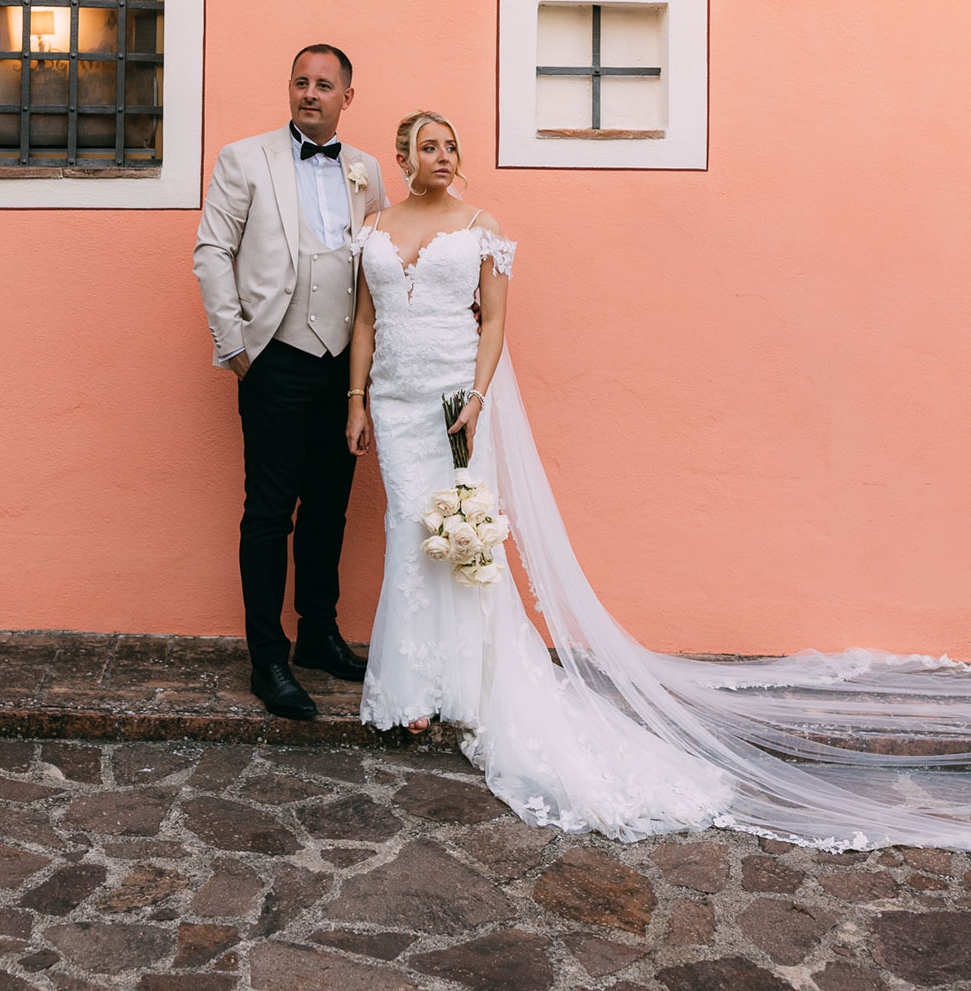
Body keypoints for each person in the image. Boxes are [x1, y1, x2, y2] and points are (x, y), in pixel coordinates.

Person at [346, 108, 971, 849]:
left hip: (454, 398)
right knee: (408, 530)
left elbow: (493, 325)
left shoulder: (483, 225)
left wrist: (478, 399)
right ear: (402, 155)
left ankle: (475, 684)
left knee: (462, 532)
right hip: (392, 400)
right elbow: (363, 322)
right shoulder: (375, 227)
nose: (443, 155)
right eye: (428, 146)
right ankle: (414, 688)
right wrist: (356, 399)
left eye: (451, 145)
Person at [193, 45, 389, 720]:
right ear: (290, 89)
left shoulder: (365, 171)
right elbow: (211, 252)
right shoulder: (244, 159)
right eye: (301, 82)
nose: (311, 93)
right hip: (273, 357)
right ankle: (267, 659)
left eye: (324, 85)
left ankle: (318, 635)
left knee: (329, 508)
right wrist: (237, 347)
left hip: (346, 369)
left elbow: (382, 263)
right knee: (270, 513)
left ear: (346, 97)